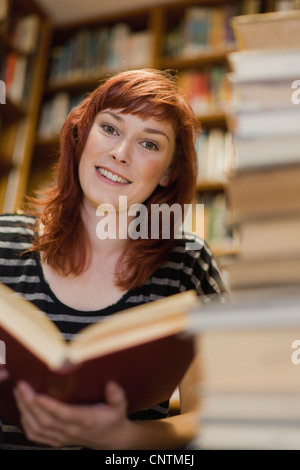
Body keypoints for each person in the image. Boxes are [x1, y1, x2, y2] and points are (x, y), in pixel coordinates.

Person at [0, 68, 227, 450]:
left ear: (169, 172)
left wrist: (128, 438)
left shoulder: (188, 265)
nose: (120, 154)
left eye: (149, 145)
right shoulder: (3, 242)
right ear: (81, 134)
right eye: (110, 128)